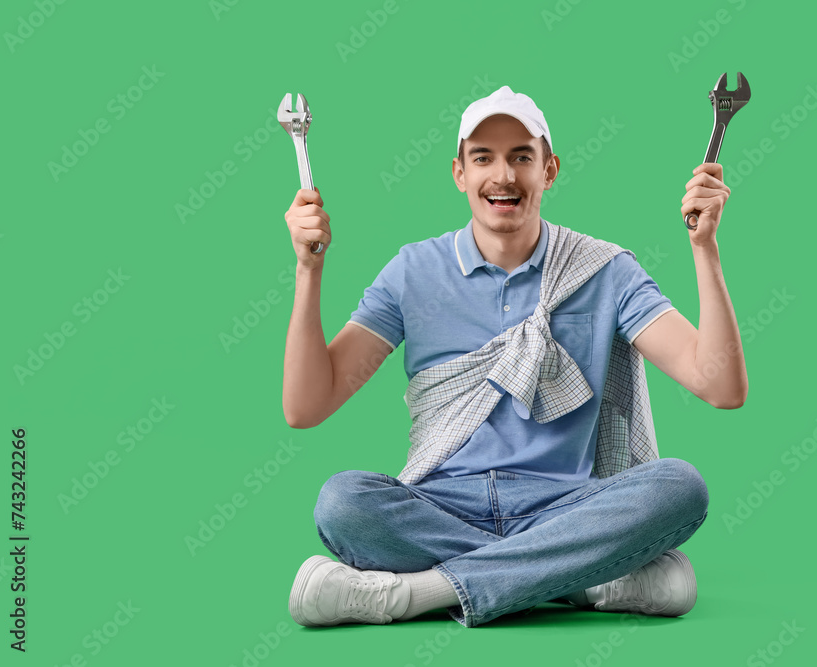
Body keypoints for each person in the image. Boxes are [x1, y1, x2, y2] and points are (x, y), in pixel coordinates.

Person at [281, 85, 747, 629]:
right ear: (460, 173)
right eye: (483, 158)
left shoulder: (604, 271)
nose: (503, 176)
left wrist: (704, 249)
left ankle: (415, 594)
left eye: (521, 157)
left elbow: (721, 386)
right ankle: (581, 581)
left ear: (549, 170)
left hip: (565, 506)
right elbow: (306, 406)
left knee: (680, 487)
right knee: (343, 501)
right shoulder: (413, 273)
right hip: (438, 505)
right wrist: (308, 271)